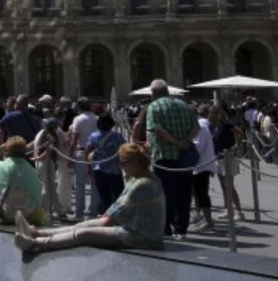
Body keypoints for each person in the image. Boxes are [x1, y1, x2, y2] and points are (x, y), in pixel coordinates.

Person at [15, 143, 165, 255]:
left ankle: (36, 243)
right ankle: (37, 233)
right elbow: (117, 208)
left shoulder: (143, 185)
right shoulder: (138, 177)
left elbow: (109, 221)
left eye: (123, 162)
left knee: (83, 234)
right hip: (131, 226)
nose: (121, 166)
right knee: (82, 225)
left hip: (141, 237)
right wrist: (98, 221)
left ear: (136, 162)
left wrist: (99, 225)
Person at [145, 79, 199, 238]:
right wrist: (185, 142)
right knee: (184, 193)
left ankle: (165, 228)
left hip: (165, 157)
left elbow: (157, 129)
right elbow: (197, 127)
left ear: (154, 93)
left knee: (165, 194)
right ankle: (181, 228)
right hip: (185, 157)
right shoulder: (185, 106)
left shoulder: (154, 106)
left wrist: (175, 142)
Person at [0, 136, 45, 227]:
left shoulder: (2, 166)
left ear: (7, 150)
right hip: (28, 216)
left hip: (8, 216)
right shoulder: (30, 170)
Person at [209, 105, 244, 219]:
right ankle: (228, 209)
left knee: (229, 185)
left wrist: (236, 145)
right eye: (212, 113)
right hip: (218, 157)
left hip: (227, 157)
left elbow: (240, 132)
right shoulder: (214, 127)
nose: (213, 115)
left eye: (215, 113)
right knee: (223, 186)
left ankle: (239, 211)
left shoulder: (227, 125)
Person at [87, 113, 125, 216]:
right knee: (118, 195)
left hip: (99, 169)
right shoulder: (118, 136)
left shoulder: (93, 136)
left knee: (104, 196)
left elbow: (88, 151)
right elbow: (124, 151)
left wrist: (88, 167)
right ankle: (118, 216)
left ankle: (105, 216)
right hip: (115, 170)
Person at [70, 97, 99, 219]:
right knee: (94, 184)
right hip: (96, 152)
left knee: (80, 184)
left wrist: (70, 154)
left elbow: (75, 138)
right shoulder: (97, 118)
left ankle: (79, 212)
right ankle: (93, 211)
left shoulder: (78, 119)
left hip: (82, 151)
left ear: (79, 107)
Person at [190, 105, 218, 230]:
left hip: (202, 165)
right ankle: (200, 216)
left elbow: (198, 147)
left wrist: (184, 143)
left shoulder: (200, 127)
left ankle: (209, 221)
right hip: (200, 166)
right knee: (197, 193)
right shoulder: (199, 126)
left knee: (202, 194)